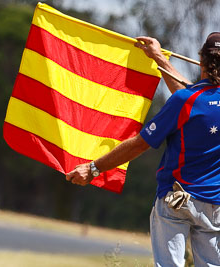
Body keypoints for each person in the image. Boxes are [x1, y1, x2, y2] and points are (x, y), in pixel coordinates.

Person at [66, 32, 220, 267]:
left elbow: (140, 144)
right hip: (215, 207)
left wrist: (93, 168)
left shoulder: (188, 101)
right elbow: (191, 98)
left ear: (201, 62)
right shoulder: (190, 100)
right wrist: (159, 58)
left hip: (177, 200)